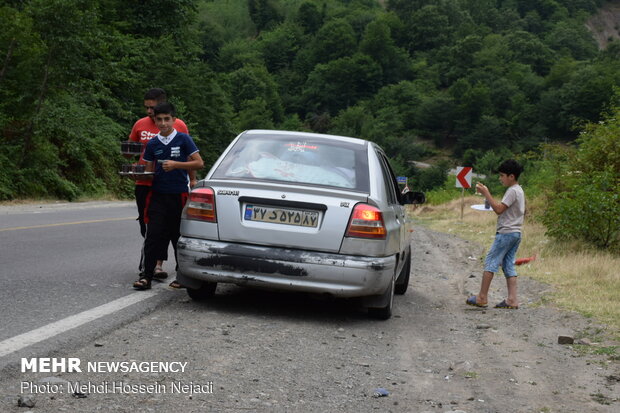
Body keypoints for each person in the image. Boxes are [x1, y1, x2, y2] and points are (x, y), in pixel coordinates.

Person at [132, 102, 204, 290]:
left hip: (179, 195)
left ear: (173, 120)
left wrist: (176, 165)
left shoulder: (183, 139)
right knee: (153, 236)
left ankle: (182, 276)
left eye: (167, 119)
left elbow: (199, 163)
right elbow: (148, 172)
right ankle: (146, 276)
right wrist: (137, 173)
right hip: (157, 196)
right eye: (159, 120)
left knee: (177, 237)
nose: (163, 123)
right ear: (155, 121)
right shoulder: (152, 143)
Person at [466, 159, 525, 309]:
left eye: (502, 175)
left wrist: (486, 193)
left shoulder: (512, 191)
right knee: (508, 264)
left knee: (490, 261)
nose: (500, 178)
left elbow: (499, 209)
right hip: (516, 233)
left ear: (511, 176)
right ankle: (512, 300)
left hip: (506, 233)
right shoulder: (519, 190)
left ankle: (481, 297)